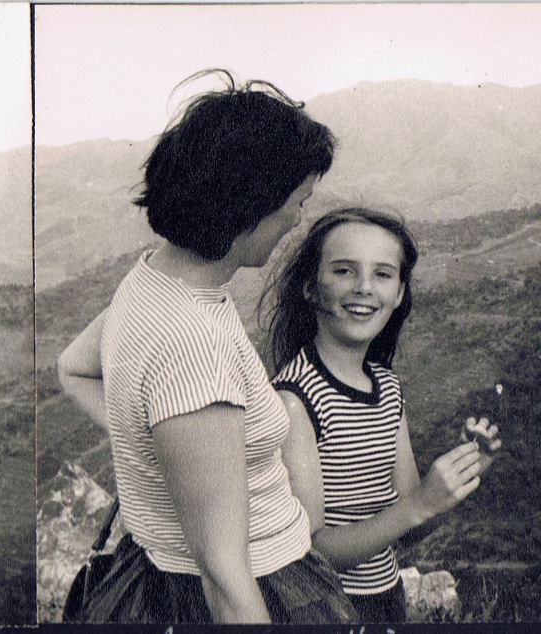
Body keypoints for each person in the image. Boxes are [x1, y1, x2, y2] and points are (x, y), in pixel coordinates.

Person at [57, 70, 354, 623]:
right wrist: (174, 451)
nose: (298, 219)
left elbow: (73, 368)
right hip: (257, 587)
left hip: (150, 573)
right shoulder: (192, 346)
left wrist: (160, 453)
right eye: (297, 201)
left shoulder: (150, 280)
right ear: (251, 206)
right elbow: (224, 576)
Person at [264, 207, 502, 622]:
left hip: (385, 600)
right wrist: (419, 505)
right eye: (344, 271)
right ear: (310, 288)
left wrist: (453, 484)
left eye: (383, 274)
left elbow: (407, 529)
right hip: (325, 610)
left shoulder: (387, 389)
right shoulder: (295, 399)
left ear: (399, 293)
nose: (364, 288)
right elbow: (308, 553)